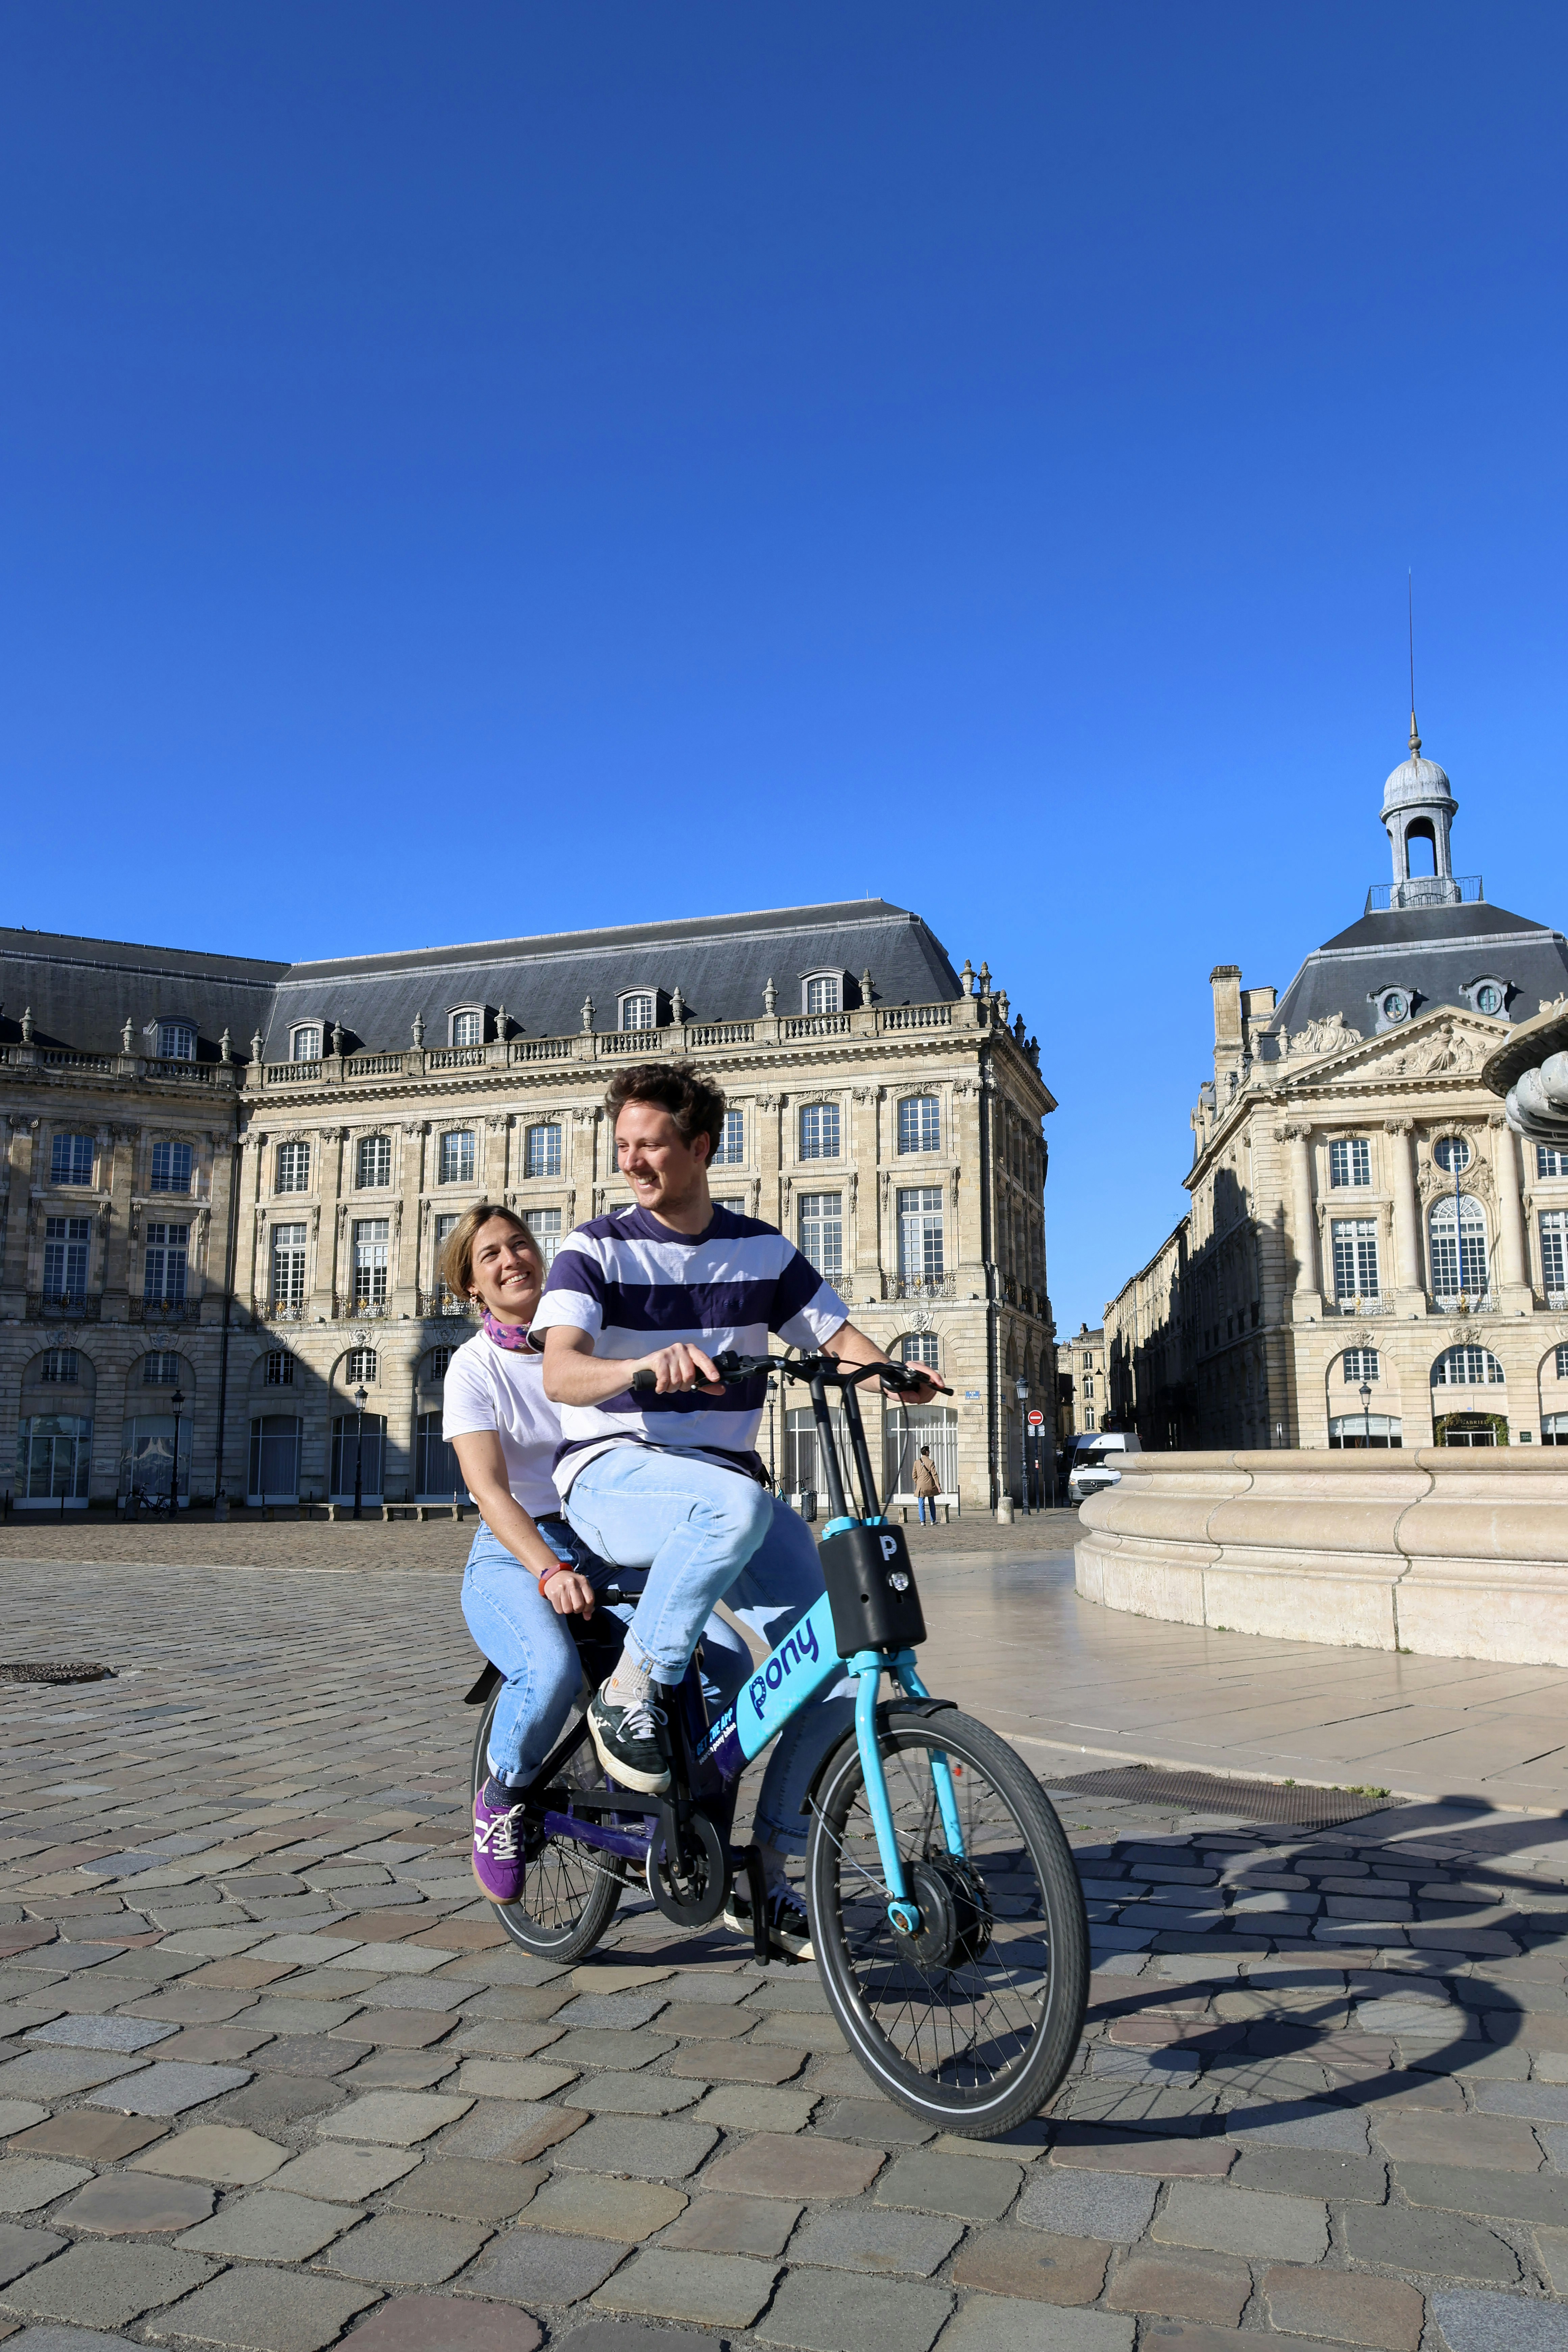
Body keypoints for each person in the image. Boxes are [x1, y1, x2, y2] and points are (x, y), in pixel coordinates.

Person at [534, 1059, 938, 1957]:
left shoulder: (763, 1250)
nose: (634, 1161)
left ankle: (770, 1872)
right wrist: (640, 1368)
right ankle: (632, 1691)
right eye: (625, 1146)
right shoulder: (593, 1249)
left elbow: (832, 1337)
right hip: (614, 1474)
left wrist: (892, 1373)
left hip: (726, 1492)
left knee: (843, 1645)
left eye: (653, 1146)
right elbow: (562, 1368)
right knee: (733, 1504)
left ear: (701, 1148)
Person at [443, 1203, 761, 1910]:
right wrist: (549, 1571)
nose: (511, 1260)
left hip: (611, 1541)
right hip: (516, 1551)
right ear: (472, 1285)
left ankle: (693, 1822)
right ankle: (500, 1798)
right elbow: (489, 1491)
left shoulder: (591, 1346)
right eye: (489, 1254)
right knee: (550, 1670)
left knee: (731, 1662)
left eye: (519, 1244)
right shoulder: (472, 1368)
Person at [913, 1444, 940, 1525]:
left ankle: (923, 1521)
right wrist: (938, 1485)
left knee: (921, 1504)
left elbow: (914, 1475)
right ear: (927, 1452)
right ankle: (933, 1520)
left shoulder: (917, 1463)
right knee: (932, 1503)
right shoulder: (931, 1462)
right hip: (930, 1486)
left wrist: (917, 1482)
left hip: (921, 1487)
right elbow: (935, 1474)